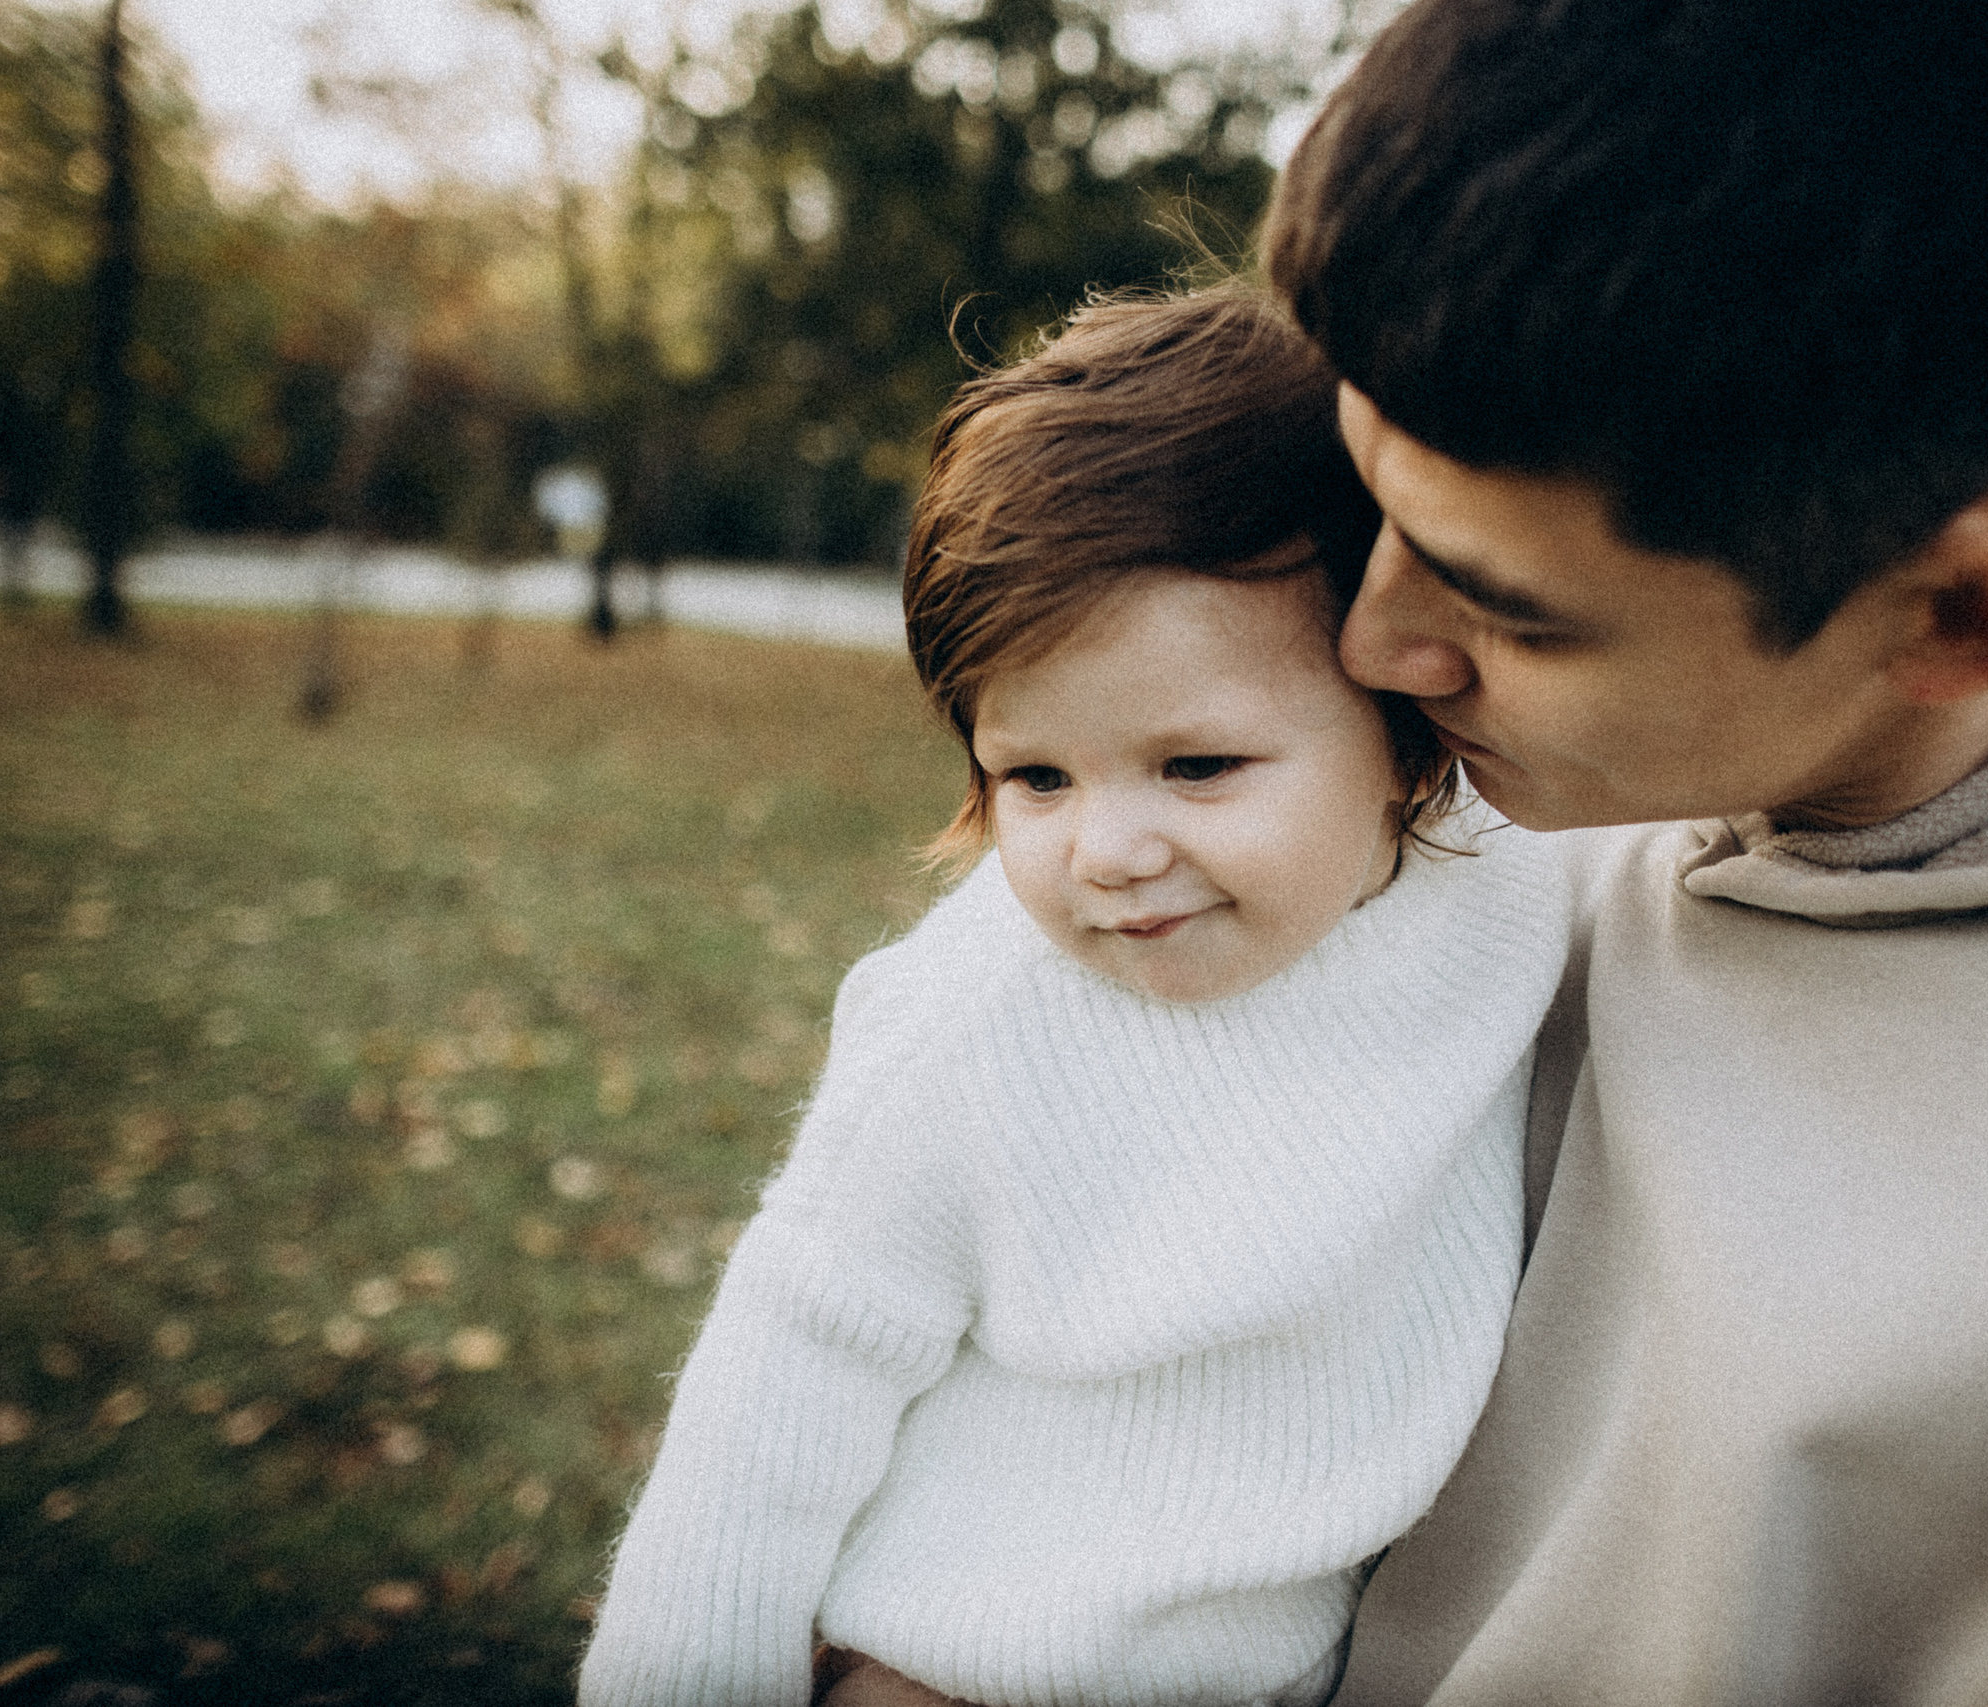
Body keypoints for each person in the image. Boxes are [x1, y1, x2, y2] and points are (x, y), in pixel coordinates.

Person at [1248, 0, 1988, 1702]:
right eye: (1378, 515)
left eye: (1508, 608)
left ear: (1964, 616)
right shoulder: (1470, 821)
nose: (1372, 650)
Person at [576, 289, 1575, 1707]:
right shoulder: (978, 1021)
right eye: (1033, 776)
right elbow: (784, 1379)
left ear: (1408, 739)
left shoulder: (1518, 888)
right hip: (976, 1672)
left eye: (1198, 767)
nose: (1105, 852)